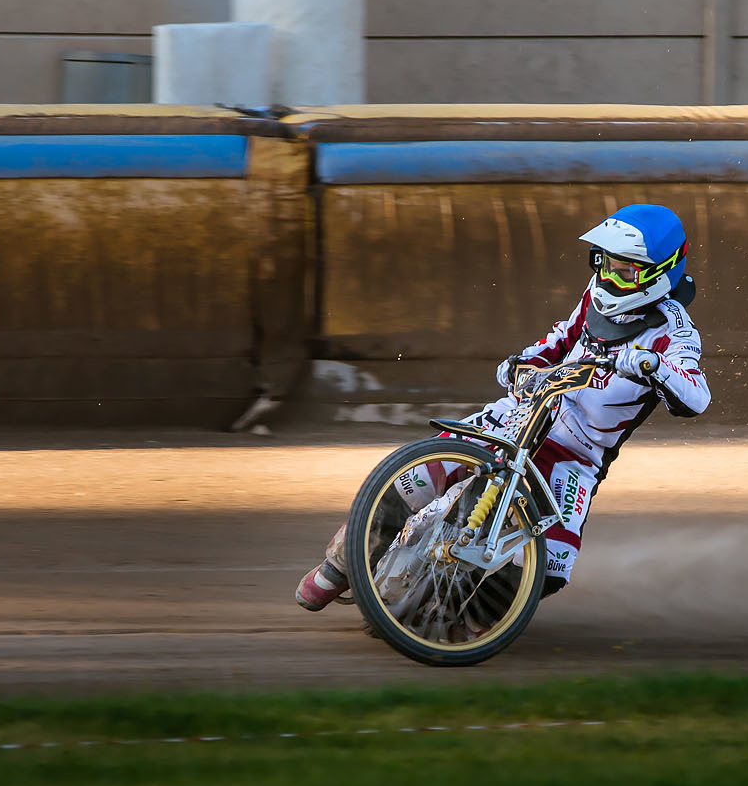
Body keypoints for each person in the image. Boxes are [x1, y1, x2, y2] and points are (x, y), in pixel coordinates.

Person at [295, 203, 711, 610]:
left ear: (661, 271)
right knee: (417, 475)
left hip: (575, 455)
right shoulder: (594, 296)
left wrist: (651, 364)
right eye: (604, 263)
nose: (608, 277)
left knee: (549, 569)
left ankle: (459, 622)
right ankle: (340, 564)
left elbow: (697, 395)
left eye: (624, 270)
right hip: (523, 414)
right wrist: (522, 363)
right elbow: (559, 339)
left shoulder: (673, 331)